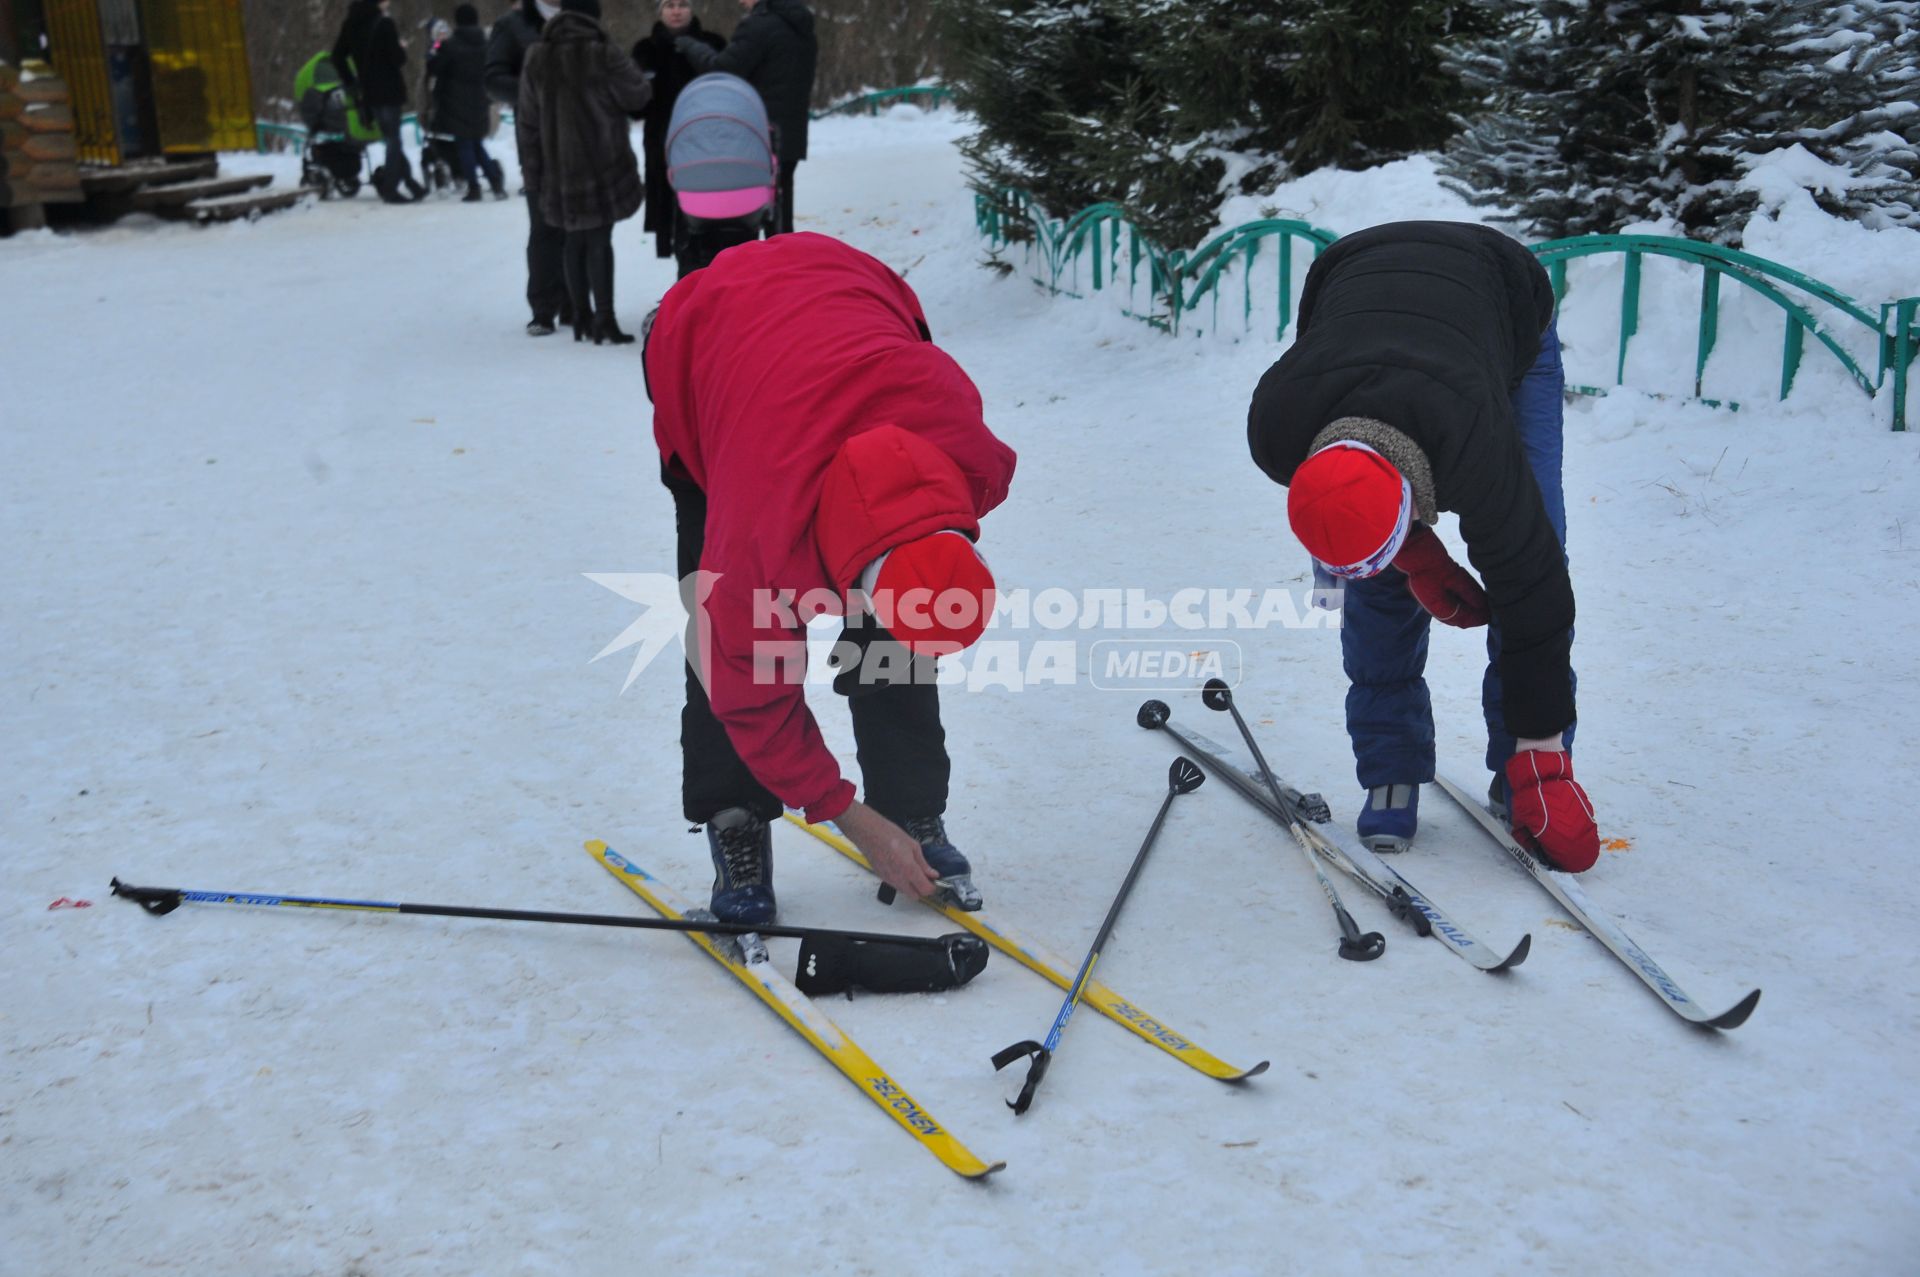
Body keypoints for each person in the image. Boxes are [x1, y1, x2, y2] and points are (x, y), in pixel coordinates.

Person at [644, 232, 1018, 923]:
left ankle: (913, 809)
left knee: (896, 640)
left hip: (848, 287)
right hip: (703, 341)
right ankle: (736, 816)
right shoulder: (758, 533)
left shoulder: (970, 456)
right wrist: (844, 811)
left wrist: (892, 816)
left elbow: (916, 572)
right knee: (720, 640)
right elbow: (751, 689)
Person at [1245, 220, 1599, 873]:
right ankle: (1392, 767)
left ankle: (1526, 765)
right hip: (1354, 286)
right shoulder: (1277, 425)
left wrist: (1541, 754)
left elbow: (1534, 587)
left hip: (1504, 305)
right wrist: (1415, 559)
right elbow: (1353, 523)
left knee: (1534, 540)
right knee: (1373, 585)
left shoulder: (1476, 441)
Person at [516, 0, 651, 345]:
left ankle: (580, 317)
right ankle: (605, 318)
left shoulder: (537, 55)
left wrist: (533, 171)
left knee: (573, 239)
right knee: (599, 241)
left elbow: (527, 120)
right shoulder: (603, 52)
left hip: (557, 167)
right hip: (602, 162)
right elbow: (638, 94)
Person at [676, 0, 815, 235]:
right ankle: (785, 263)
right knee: (781, 210)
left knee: (751, 216)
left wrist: (691, 46)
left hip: (760, 135)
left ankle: (769, 267)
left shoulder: (758, 26)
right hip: (791, 131)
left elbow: (721, 70)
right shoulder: (801, 24)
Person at [485, 0, 569, 334]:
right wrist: (536, 93)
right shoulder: (513, 24)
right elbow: (493, 78)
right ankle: (544, 307)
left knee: (583, 227)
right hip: (539, 139)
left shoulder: (583, 15)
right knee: (545, 224)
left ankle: (577, 304)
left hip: (586, 138)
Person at [633, 0, 725, 260]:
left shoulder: (713, 44)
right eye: (669, 5)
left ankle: (706, 284)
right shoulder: (645, 49)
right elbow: (634, 106)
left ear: (692, 8)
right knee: (671, 220)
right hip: (662, 143)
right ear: (660, 11)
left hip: (706, 143)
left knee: (707, 221)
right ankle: (682, 288)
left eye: (682, 4)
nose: (676, 11)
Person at [333, 0, 425, 203]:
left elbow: (337, 56)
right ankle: (391, 188)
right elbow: (398, 59)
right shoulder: (384, 24)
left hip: (368, 91)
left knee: (390, 136)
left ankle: (411, 183)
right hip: (389, 88)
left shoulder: (350, 23)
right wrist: (401, 47)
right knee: (393, 139)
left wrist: (352, 82)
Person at [428, 4, 507, 201]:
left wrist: (433, 53)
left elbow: (436, 68)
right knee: (477, 144)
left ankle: (474, 186)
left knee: (465, 144)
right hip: (480, 97)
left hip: (455, 100)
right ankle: (495, 182)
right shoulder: (485, 44)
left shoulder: (450, 45)